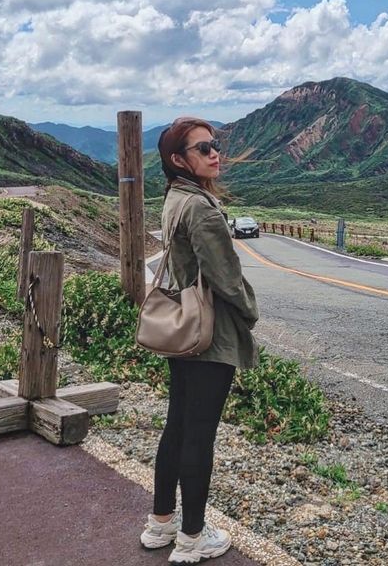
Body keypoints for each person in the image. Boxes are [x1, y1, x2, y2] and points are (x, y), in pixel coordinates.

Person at [140, 117, 259, 564]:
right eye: (203, 148)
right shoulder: (203, 208)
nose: (215, 153)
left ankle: (161, 522)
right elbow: (227, 279)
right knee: (199, 434)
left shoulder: (174, 198)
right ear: (178, 160)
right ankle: (192, 537)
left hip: (182, 326)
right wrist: (249, 310)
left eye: (214, 145)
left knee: (178, 425)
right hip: (210, 330)